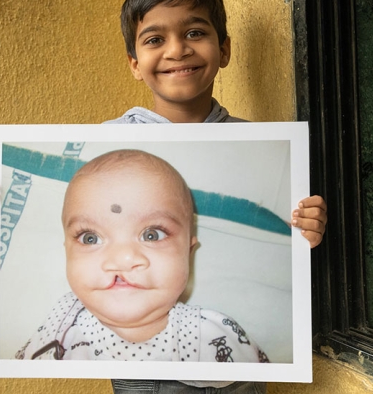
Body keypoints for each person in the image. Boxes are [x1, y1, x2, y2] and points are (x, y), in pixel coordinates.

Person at [0, 0, 327, 394]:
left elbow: (288, 253)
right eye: (155, 39)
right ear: (135, 63)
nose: (177, 50)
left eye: (195, 32)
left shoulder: (263, 154)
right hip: (144, 383)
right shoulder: (107, 145)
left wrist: (307, 228)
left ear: (225, 49)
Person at [16, 149, 270, 363]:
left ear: (188, 252)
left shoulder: (215, 335)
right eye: (89, 238)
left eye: (152, 235)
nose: (123, 259)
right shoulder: (58, 326)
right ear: (66, 251)